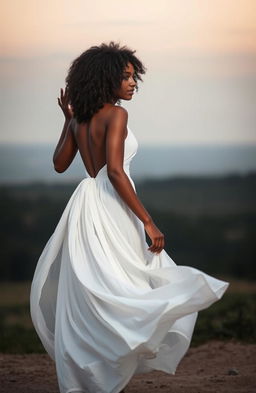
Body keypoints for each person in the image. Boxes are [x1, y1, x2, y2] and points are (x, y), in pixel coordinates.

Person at [30, 41, 229, 393]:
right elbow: (117, 173)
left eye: (134, 77)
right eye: (126, 77)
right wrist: (148, 221)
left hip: (86, 205)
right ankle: (123, 349)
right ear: (106, 79)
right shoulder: (117, 115)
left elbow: (59, 165)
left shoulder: (81, 118)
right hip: (112, 204)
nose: (133, 83)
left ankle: (93, 365)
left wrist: (69, 121)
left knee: (100, 285)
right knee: (131, 281)